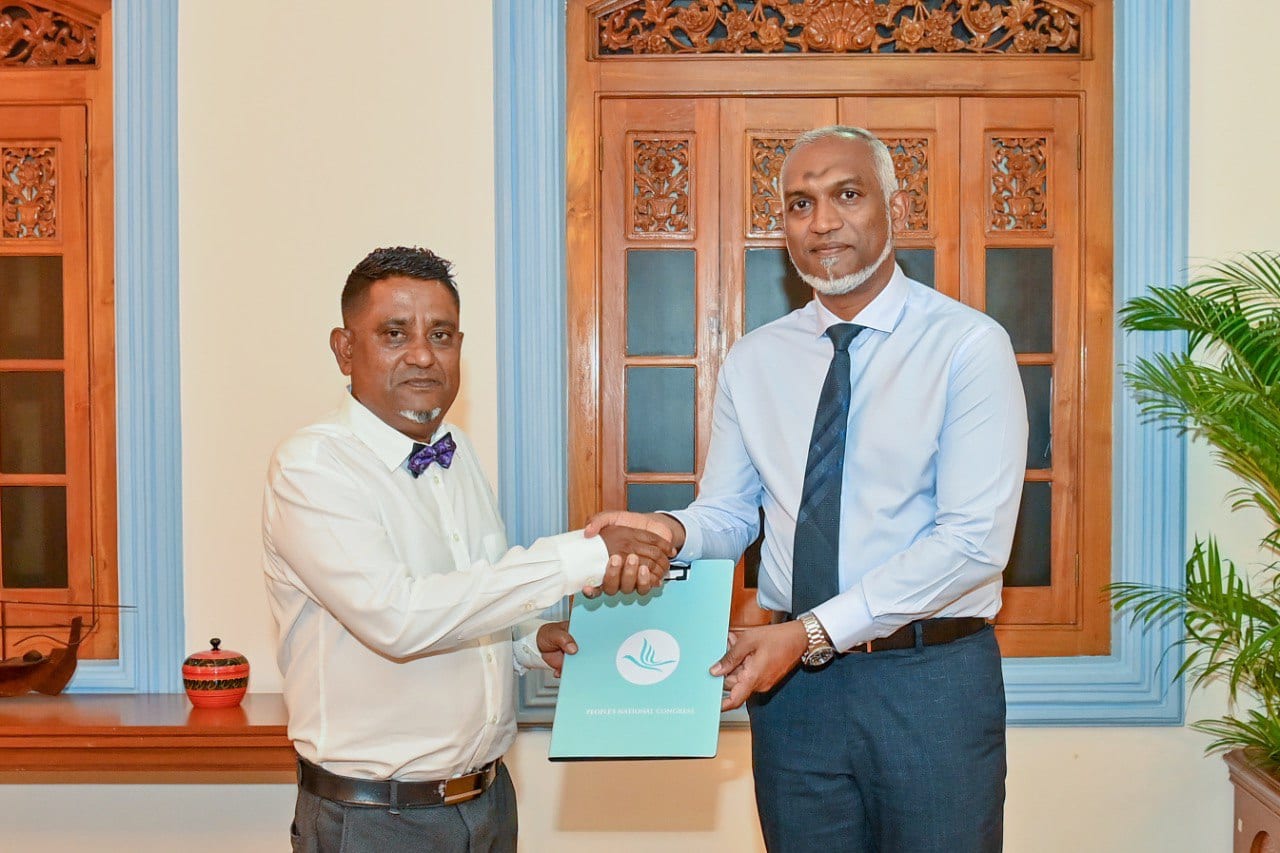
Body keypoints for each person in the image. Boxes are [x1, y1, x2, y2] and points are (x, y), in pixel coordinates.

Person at [588, 126, 1028, 852]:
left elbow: (974, 544)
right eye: (800, 203)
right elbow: (731, 513)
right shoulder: (756, 359)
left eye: (847, 195)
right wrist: (669, 530)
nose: (822, 221)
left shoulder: (967, 346)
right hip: (794, 693)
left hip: (931, 682)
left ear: (896, 207)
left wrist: (812, 632)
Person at [263, 246, 672, 853]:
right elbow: (398, 618)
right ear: (345, 349)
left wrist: (527, 644)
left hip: (488, 804)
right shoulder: (313, 465)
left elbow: (467, 599)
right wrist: (583, 556)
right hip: (375, 819)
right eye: (394, 334)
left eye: (441, 334)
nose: (423, 354)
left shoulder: (457, 449)